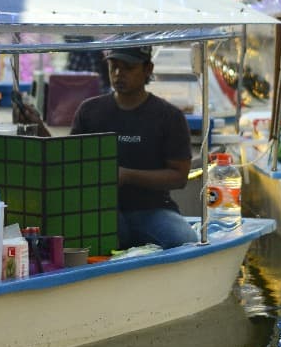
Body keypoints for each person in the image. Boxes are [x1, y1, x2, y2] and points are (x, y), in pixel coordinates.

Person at [68, 46, 197, 250]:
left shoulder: (169, 116)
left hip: (152, 209)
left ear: (148, 69)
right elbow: (70, 160)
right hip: (99, 210)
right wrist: (37, 125)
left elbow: (179, 177)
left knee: (185, 241)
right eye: (114, 67)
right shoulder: (90, 111)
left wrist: (127, 175)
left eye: (128, 67)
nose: (119, 74)